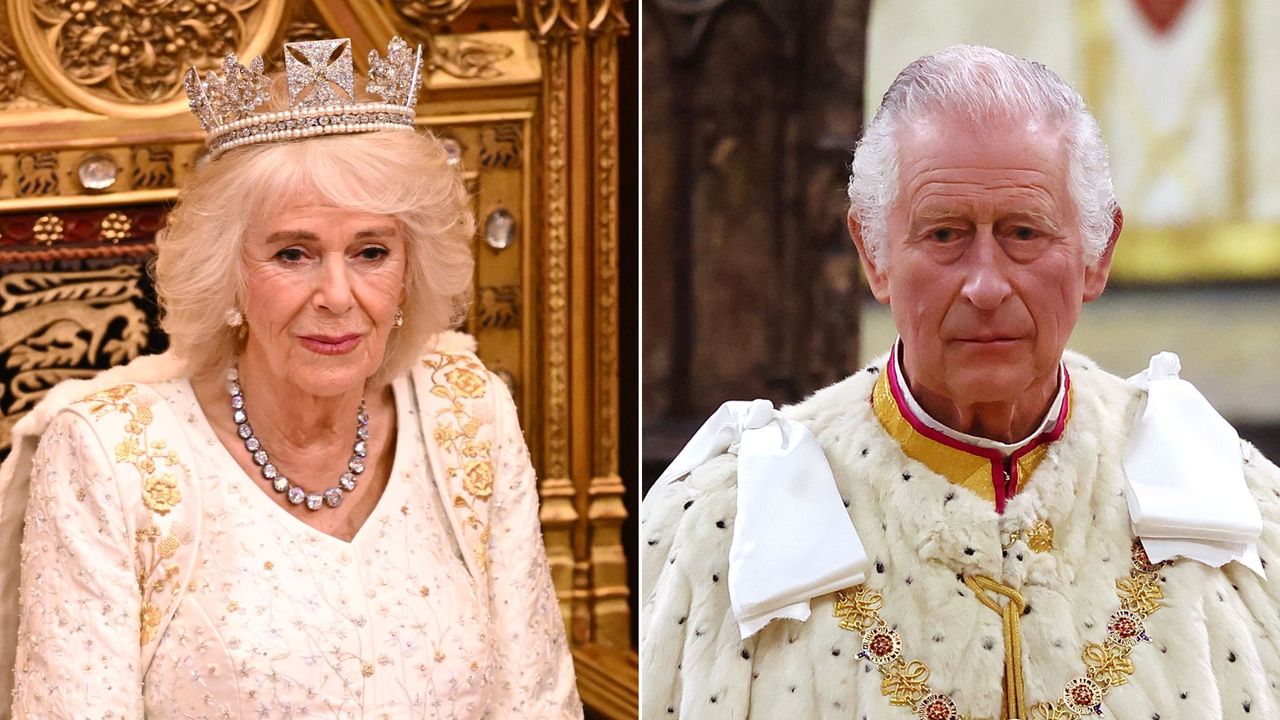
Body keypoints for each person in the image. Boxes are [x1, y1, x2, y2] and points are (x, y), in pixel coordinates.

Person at [641, 45, 1280, 719]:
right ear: (873, 254)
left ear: (1097, 254)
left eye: (1024, 233)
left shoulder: (1239, 516)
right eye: (944, 234)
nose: (984, 284)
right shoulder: (725, 525)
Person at [0, 37, 582, 718]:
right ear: (230, 275)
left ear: (408, 271)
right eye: (293, 253)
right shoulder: (109, 455)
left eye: (370, 252)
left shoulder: (469, 412)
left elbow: (536, 699)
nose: (337, 295)